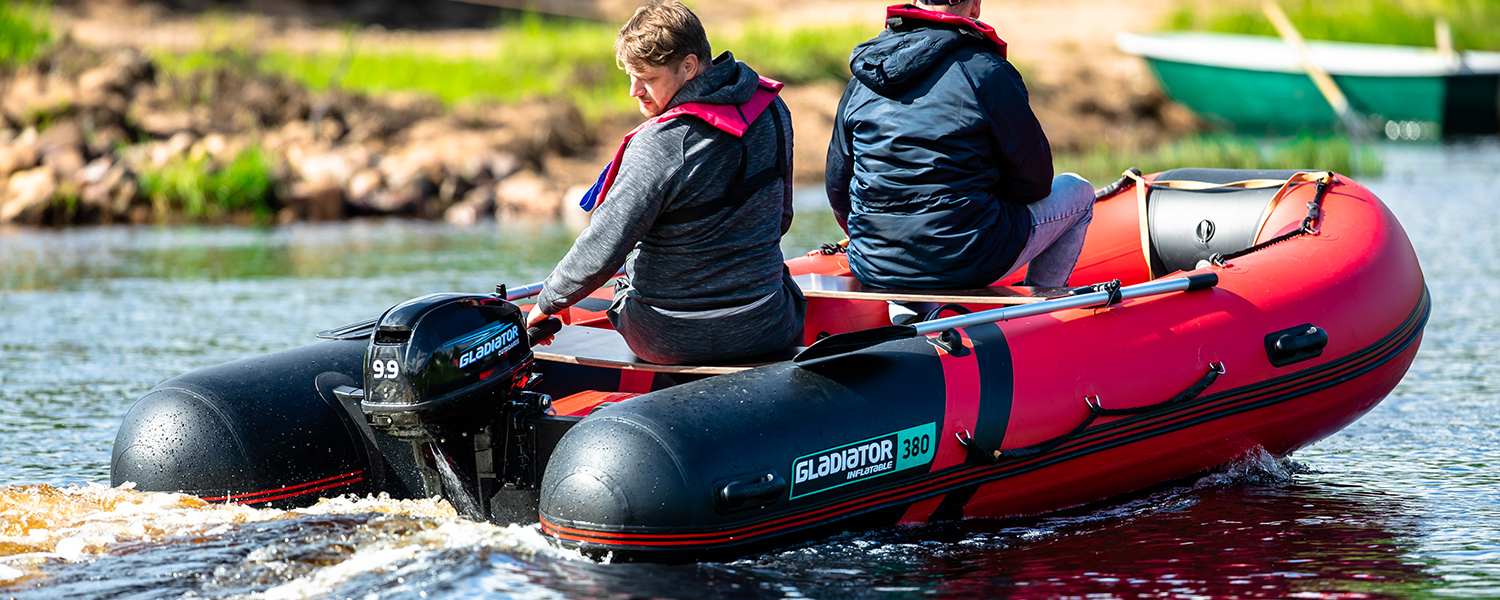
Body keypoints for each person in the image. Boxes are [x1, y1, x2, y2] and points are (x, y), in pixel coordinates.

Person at [525, 0, 804, 365]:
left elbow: (603, 249)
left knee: (627, 279)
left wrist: (547, 303)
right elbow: (782, 218)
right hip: (766, 326)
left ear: (688, 66)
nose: (634, 91)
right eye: (630, 75)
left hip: (665, 338)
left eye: (649, 79)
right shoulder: (773, 109)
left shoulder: (659, 143)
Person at [826, 0, 1095, 311]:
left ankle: (912, 323)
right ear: (975, 6)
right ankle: (1036, 317)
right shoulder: (986, 71)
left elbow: (837, 188)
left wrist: (887, 240)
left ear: (914, 1)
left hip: (873, 265)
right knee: (1079, 191)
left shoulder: (862, 80)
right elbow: (1035, 184)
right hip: (968, 257)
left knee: (913, 261)